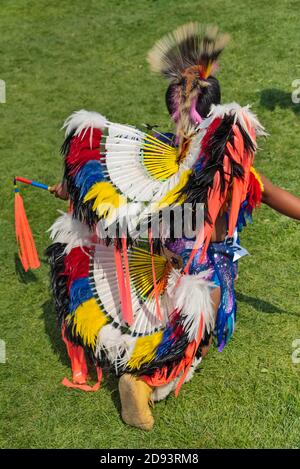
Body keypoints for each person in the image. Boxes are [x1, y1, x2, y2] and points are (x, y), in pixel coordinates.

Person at [47, 23, 300, 432]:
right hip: (199, 272)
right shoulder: (231, 171)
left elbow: (115, 199)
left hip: (148, 262)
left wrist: (74, 193)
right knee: (194, 339)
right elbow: (279, 198)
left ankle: (130, 363)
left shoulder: (159, 152)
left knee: (153, 311)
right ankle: (147, 382)